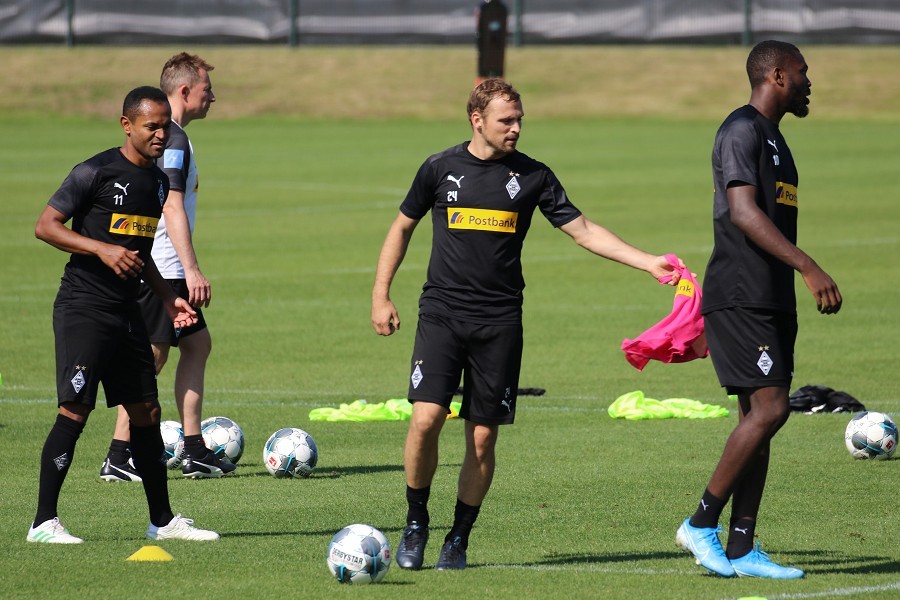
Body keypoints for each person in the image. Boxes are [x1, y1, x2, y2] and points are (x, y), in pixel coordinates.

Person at [371, 78, 680, 570]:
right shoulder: (439, 167)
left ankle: (458, 538)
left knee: (481, 436)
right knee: (426, 418)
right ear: (477, 121)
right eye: (505, 121)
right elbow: (402, 226)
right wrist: (380, 294)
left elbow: (583, 230)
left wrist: (647, 261)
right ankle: (415, 524)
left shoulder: (534, 175)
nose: (515, 129)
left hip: (499, 321)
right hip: (443, 314)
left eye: (519, 120)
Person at [675, 40, 842, 579]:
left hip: (769, 297)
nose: (809, 81)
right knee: (772, 410)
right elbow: (744, 214)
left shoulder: (776, 140)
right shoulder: (741, 130)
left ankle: (743, 547)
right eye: (802, 72)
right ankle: (701, 524)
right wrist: (808, 266)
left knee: (760, 419)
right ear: (776, 75)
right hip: (742, 294)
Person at [28, 86, 219, 543]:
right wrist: (101, 249)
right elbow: (45, 226)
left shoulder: (156, 182)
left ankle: (162, 522)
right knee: (75, 409)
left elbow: (142, 252)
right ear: (126, 125)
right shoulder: (94, 171)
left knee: (146, 410)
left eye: (165, 125)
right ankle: (43, 523)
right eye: (152, 125)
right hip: (84, 307)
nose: (161, 133)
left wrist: (168, 297)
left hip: (128, 309)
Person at [100, 53, 232, 481]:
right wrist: (191, 270)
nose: (213, 97)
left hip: (163, 262)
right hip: (162, 264)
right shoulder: (172, 139)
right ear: (184, 91)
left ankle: (192, 449)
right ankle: (119, 455)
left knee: (197, 344)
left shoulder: (172, 138)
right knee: (151, 356)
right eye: (207, 90)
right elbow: (171, 203)